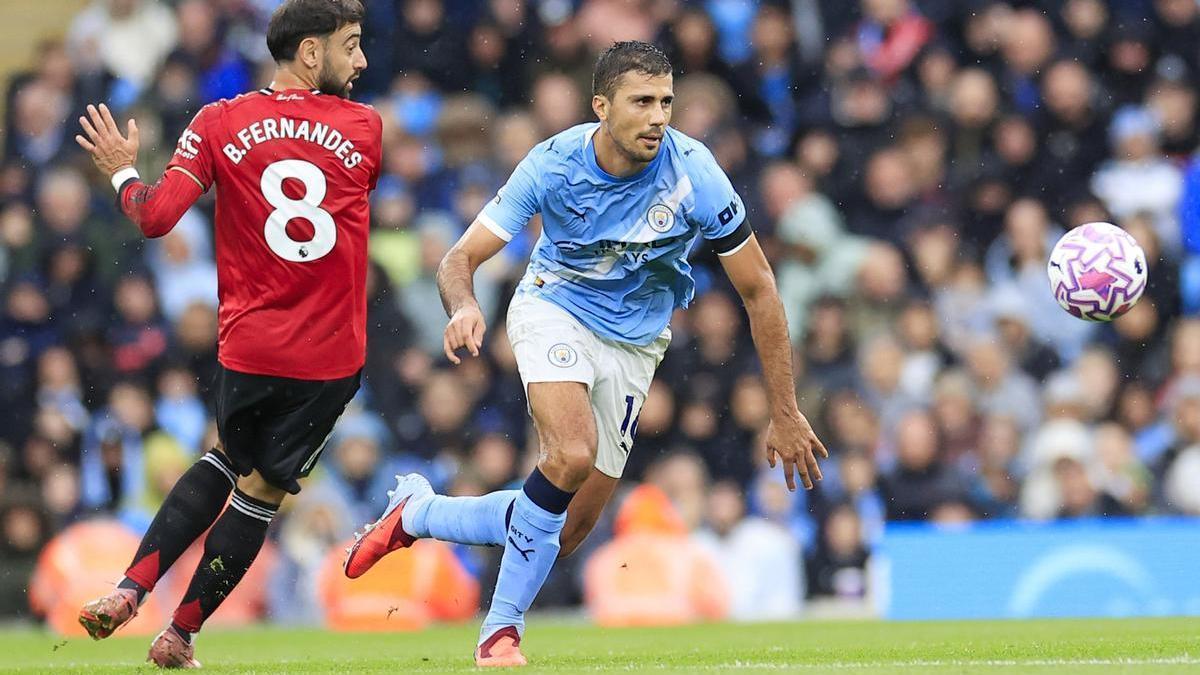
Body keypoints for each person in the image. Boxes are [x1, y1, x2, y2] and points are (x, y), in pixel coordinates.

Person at [344, 41, 827, 667]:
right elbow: (458, 258)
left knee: (563, 533)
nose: (658, 117)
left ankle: (418, 514)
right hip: (555, 309)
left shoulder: (695, 172)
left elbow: (761, 291)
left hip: (636, 343)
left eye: (666, 102)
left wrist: (784, 410)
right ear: (602, 106)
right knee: (568, 456)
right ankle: (500, 633)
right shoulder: (552, 164)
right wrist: (463, 306)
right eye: (642, 102)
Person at [72, 0, 378, 667]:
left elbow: (154, 218)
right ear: (310, 54)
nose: (361, 62)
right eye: (350, 46)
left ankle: (130, 588)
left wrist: (124, 170)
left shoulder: (217, 121)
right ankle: (177, 633)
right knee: (261, 492)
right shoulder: (364, 126)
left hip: (248, 345)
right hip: (327, 357)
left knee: (221, 458)